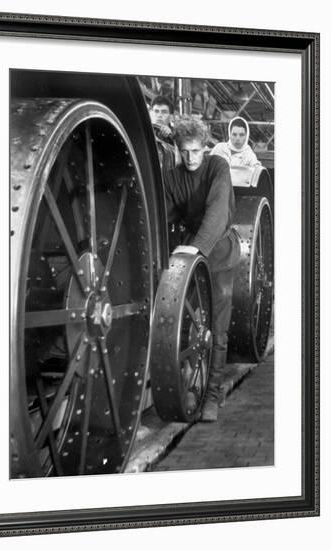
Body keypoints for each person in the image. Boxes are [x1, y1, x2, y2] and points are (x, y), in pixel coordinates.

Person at [163, 117, 241, 422]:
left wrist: (195, 248)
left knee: (217, 329)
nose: (191, 158)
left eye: (196, 151)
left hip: (219, 252)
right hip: (192, 256)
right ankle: (192, 385)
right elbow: (164, 215)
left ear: (205, 147)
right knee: (191, 326)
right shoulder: (172, 177)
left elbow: (218, 211)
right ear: (178, 149)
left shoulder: (217, 167)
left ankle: (211, 395)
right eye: (185, 152)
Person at [149, 96, 181, 170]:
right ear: (151, 113)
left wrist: (172, 137)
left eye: (164, 112)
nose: (159, 115)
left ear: (171, 117)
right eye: (156, 111)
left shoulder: (177, 135)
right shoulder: (143, 131)